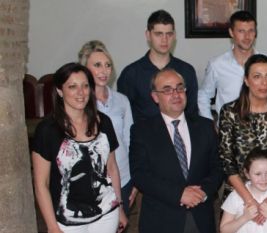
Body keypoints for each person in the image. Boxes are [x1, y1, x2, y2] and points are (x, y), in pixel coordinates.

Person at [32, 63, 127, 233]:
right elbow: (41, 184)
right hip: (67, 220)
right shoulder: (47, 130)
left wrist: (119, 207)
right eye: (72, 87)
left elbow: (112, 168)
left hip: (106, 213)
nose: (81, 93)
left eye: (85, 86)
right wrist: (52, 226)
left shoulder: (103, 122)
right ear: (60, 91)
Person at [129, 69, 223, 233]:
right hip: (161, 219)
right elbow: (140, 175)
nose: (176, 94)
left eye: (180, 88)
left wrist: (202, 193)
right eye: (167, 90)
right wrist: (179, 194)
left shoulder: (206, 127)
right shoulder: (142, 130)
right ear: (155, 97)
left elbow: (218, 167)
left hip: (201, 216)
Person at [218, 54, 267, 223]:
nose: (264, 83)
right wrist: (250, 201)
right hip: (237, 196)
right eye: (257, 77)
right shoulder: (230, 112)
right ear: (246, 80)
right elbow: (227, 162)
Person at [78, 40, 137, 215]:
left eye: (107, 65)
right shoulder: (78, 102)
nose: (104, 71)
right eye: (97, 65)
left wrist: (135, 180)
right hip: (90, 181)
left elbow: (130, 140)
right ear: (84, 69)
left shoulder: (121, 101)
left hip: (123, 176)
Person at [117, 9, 198, 121]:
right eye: (158, 34)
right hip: (144, 136)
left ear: (174, 36)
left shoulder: (187, 71)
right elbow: (124, 116)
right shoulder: (131, 74)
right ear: (148, 35)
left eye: (169, 34)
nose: (164, 40)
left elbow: (192, 113)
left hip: (180, 136)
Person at [198, 11, 267, 121]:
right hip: (228, 131)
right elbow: (203, 96)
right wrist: (209, 125)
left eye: (251, 31)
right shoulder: (217, 64)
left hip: (262, 129)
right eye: (241, 31)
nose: (247, 36)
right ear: (231, 32)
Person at [220, 148, 267, 233]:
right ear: (247, 174)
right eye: (258, 174)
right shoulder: (235, 196)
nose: (264, 179)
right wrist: (244, 217)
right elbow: (224, 230)